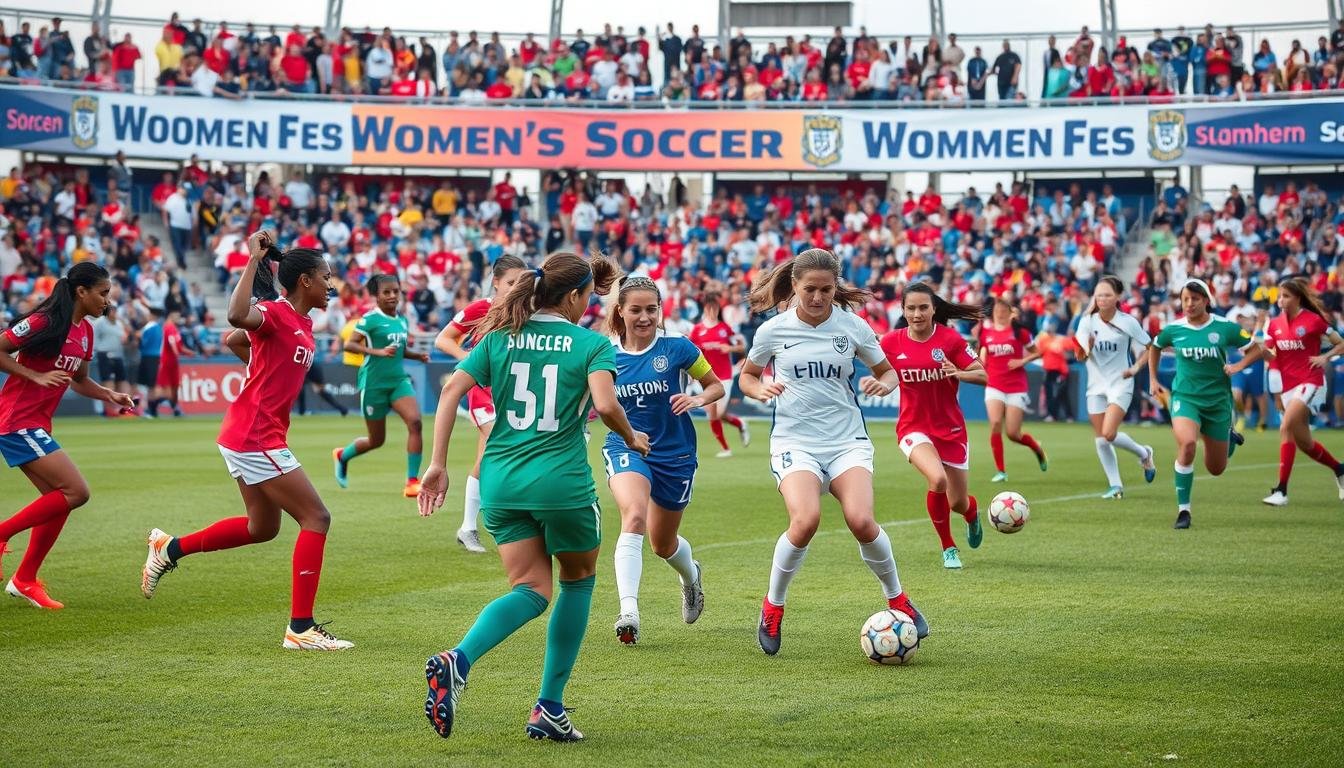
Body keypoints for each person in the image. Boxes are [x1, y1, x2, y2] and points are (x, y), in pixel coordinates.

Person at [418, 251, 649, 742]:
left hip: (501, 483)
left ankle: (458, 659)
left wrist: (437, 464)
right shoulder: (590, 344)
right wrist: (630, 438)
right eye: (587, 295)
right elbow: (606, 405)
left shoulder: (499, 337)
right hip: (560, 483)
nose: (589, 304)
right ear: (571, 296)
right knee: (578, 581)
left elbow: (449, 392)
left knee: (529, 589)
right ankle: (548, 707)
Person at [141, 230, 354, 651]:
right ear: (305, 281)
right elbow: (237, 320)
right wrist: (253, 261)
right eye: (325, 277)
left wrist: (259, 363)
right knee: (317, 518)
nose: (332, 285)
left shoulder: (301, 321)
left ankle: (170, 548)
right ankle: (301, 627)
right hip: (256, 435)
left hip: (249, 432)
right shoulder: (275, 311)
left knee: (262, 528)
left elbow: (238, 342)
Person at [737, 248, 927, 656]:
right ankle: (773, 607)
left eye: (826, 290)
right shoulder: (773, 331)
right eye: (810, 290)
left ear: (835, 288)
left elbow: (888, 371)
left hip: (846, 441)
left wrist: (886, 383)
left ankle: (897, 599)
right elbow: (747, 377)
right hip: (794, 440)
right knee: (805, 520)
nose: (818, 297)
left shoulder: (853, 327)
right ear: (794, 287)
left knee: (861, 520)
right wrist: (760, 390)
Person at [0, 263, 134, 608]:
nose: (107, 300)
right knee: (76, 491)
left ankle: (25, 579)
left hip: (38, 424)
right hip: (15, 420)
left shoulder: (85, 331)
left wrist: (109, 394)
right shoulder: (45, 321)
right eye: (103, 293)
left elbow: (80, 380)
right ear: (81, 292)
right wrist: (33, 375)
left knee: (58, 502)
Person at [604, 276, 723, 644]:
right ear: (620, 311)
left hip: (676, 452)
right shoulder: (603, 353)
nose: (644, 317)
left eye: (651, 309)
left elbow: (715, 386)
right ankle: (629, 612)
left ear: (660, 310)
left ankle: (691, 578)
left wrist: (698, 400)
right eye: (636, 310)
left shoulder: (677, 348)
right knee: (634, 516)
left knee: (662, 544)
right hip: (626, 445)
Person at [882, 282, 988, 570]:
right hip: (912, 428)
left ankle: (972, 513)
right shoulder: (891, 342)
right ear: (902, 310)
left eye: (923, 307)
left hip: (951, 430)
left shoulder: (950, 340)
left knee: (958, 502)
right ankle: (948, 548)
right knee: (937, 480)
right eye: (911, 308)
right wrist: (876, 382)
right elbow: (875, 366)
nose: (917, 314)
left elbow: (983, 374)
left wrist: (959, 373)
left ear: (934, 309)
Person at [1149, 279, 1264, 529]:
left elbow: (1258, 350)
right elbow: (1155, 346)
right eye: (1185, 299)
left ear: (1207, 301)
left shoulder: (1225, 328)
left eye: (1195, 299)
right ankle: (1183, 511)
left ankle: (1228, 435)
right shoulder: (1174, 329)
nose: (1189, 304)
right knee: (1188, 445)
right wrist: (1153, 379)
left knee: (1216, 468)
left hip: (1218, 403)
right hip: (1185, 398)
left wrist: (1237, 366)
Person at [433, 255, 529, 552]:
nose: (516, 289)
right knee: (500, 443)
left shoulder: (527, 312)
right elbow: (444, 339)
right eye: (511, 283)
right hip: (482, 392)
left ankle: (468, 527)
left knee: (485, 456)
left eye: (521, 283)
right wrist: (473, 363)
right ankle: (501, 515)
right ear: (496, 282)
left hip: (511, 392)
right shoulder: (481, 309)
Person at [334, 275, 431, 498]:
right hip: (374, 384)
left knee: (415, 423)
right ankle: (342, 456)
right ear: (376, 296)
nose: (392, 296)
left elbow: (399, 349)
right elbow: (348, 345)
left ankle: (411, 481)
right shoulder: (370, 319)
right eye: (386, 292)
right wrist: (377, 352)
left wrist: (417, 356)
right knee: (376, 441)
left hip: (398, 381)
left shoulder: (402, 320)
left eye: (396, 291)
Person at [1261, 277, 1344, 506]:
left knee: (1285, 425)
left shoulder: (1313, 320)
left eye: (1286, 296)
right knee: (1305, 443)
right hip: (1287, 386)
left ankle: (1282, 490)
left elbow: (1341, 343)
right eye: (1279, 296)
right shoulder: (1274, 324)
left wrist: (1324, 357)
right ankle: (1340, 469)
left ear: (1298, 298)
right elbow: (1271, 358)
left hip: (1310, 380)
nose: (1281, 300)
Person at [1073, 276, 1158, 498]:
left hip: (1121, 382)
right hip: (1095, 385)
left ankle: (1143, 453)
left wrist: (1137, 367)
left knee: (1109, 433)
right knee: (1101, 438)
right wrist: (1087, 348)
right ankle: (1116, 486)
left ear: (1118, 297)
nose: (1102, 299)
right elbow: (1079, 356)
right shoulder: (1086, 322)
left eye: (1107, 294)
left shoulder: (1128, 322)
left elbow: (1151, 347)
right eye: (1098, 294)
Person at [979, 298, 1047, 483]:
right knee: (994, 424)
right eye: (996, 310)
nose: (999, 313)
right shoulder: (985, 333)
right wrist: (981, 363)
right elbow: (982, 352)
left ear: (1010, 312)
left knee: (1013, 433)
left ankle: (1037, 448)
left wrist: (1021, 361)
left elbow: (1038, 352)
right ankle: (1001, 471)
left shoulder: (1020, 333)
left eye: (1003, 309)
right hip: (994, 384)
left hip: (1016, 386)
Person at [688, 291, 750, 457]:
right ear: (705, 309)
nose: (712, 311)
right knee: (713, 413)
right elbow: (689, 351)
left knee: (719, 413)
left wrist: (728, 348)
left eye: (715, 308)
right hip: (705, 376)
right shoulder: (697, 330)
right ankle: (726, 448)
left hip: (723, 376)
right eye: (709, 308)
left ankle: (739, 424)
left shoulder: (725, 328)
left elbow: (741, 347)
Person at [146, 307, 192, 417]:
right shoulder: (168, 327)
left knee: (174, 387)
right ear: (171, 315)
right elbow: (173, 345)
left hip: (173, 363)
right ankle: (152, 408)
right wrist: (177, 353)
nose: (179, 318)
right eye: (177, 315)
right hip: (166, 362)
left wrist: (191, 353)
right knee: (166, 389)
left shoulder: (175, 329)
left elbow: (179, 347)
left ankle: (173, 408)